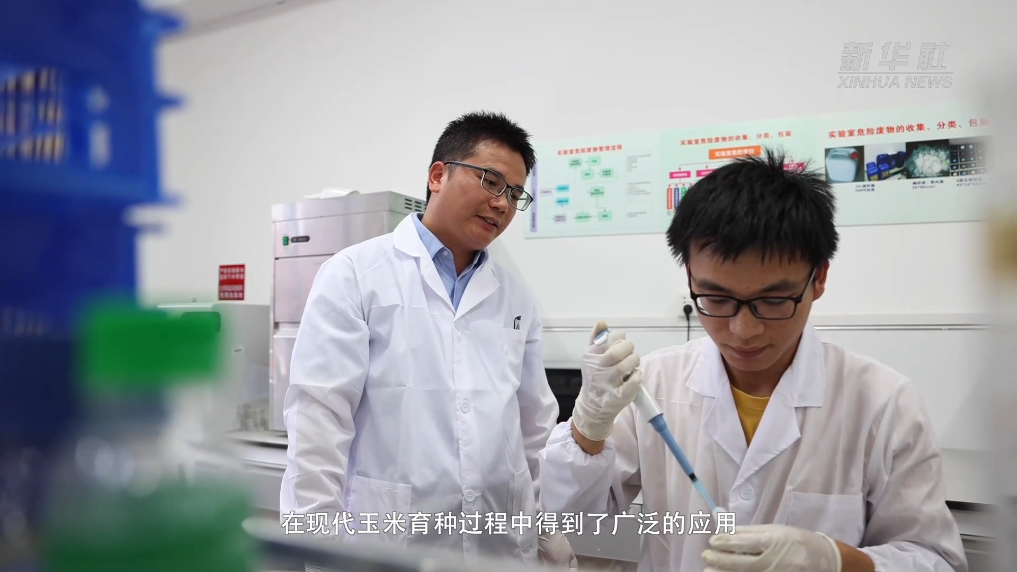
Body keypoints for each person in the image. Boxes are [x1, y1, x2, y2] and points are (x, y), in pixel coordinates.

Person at [538, 148, 968, 572]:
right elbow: (574, 536)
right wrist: (588, 429)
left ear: (818, 278)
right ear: (691, 277)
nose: (743, 330)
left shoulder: (883, 402)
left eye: (774, 300)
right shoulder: (654, 384)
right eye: (716, 298)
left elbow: (936, 559)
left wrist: (837, 561)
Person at [279, 111, 576, 568]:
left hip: (499, 549)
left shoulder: (516, 298)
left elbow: (533, 428)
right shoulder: (355, 274)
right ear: (438, 175)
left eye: (516, 194)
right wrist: (318, 548)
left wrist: (544, 527)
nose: (502, 204)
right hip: (388, 546)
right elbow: (319, 424)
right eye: (491, 181)